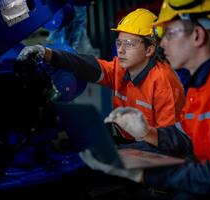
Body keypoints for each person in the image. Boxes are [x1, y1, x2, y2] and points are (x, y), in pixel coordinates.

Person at [80, 0, 210, 198]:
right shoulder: (204, 82)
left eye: (169, 33)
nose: (162, 43)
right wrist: (148, 132)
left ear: (197, 35)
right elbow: (185, 134)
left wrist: (146, 174)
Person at [17, 8, 185, 142]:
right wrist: (46, 53)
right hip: (130, 145)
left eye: (129, 44)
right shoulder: (122, 69)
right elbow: (88, 65)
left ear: (149, 49)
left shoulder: (164, 82)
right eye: (119, 42)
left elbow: (171, 143)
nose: (121, 50)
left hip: (156, 159)